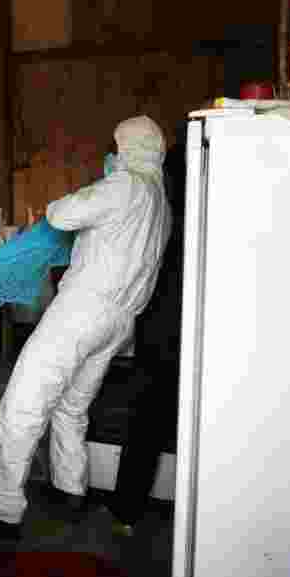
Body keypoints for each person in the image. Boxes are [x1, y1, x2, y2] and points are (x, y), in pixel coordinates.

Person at [0, 115, 172, 542]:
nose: (112, 154)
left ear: (128, 149)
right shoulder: (160, 202)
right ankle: (71, 490)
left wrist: (66, 200)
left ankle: (3, 510)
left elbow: (63, 214)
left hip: (85, 310)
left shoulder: (126, 187)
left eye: (115, 147)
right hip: (121, 322)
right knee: (71, 408)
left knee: (23, 403)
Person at [104, 143, 186, 537]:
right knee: (153, 422)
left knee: (146, 424)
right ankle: (129, 512)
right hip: (173, 333)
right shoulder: (179, 213)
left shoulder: (158, 209)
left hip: (161, 334)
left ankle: (125, 513)